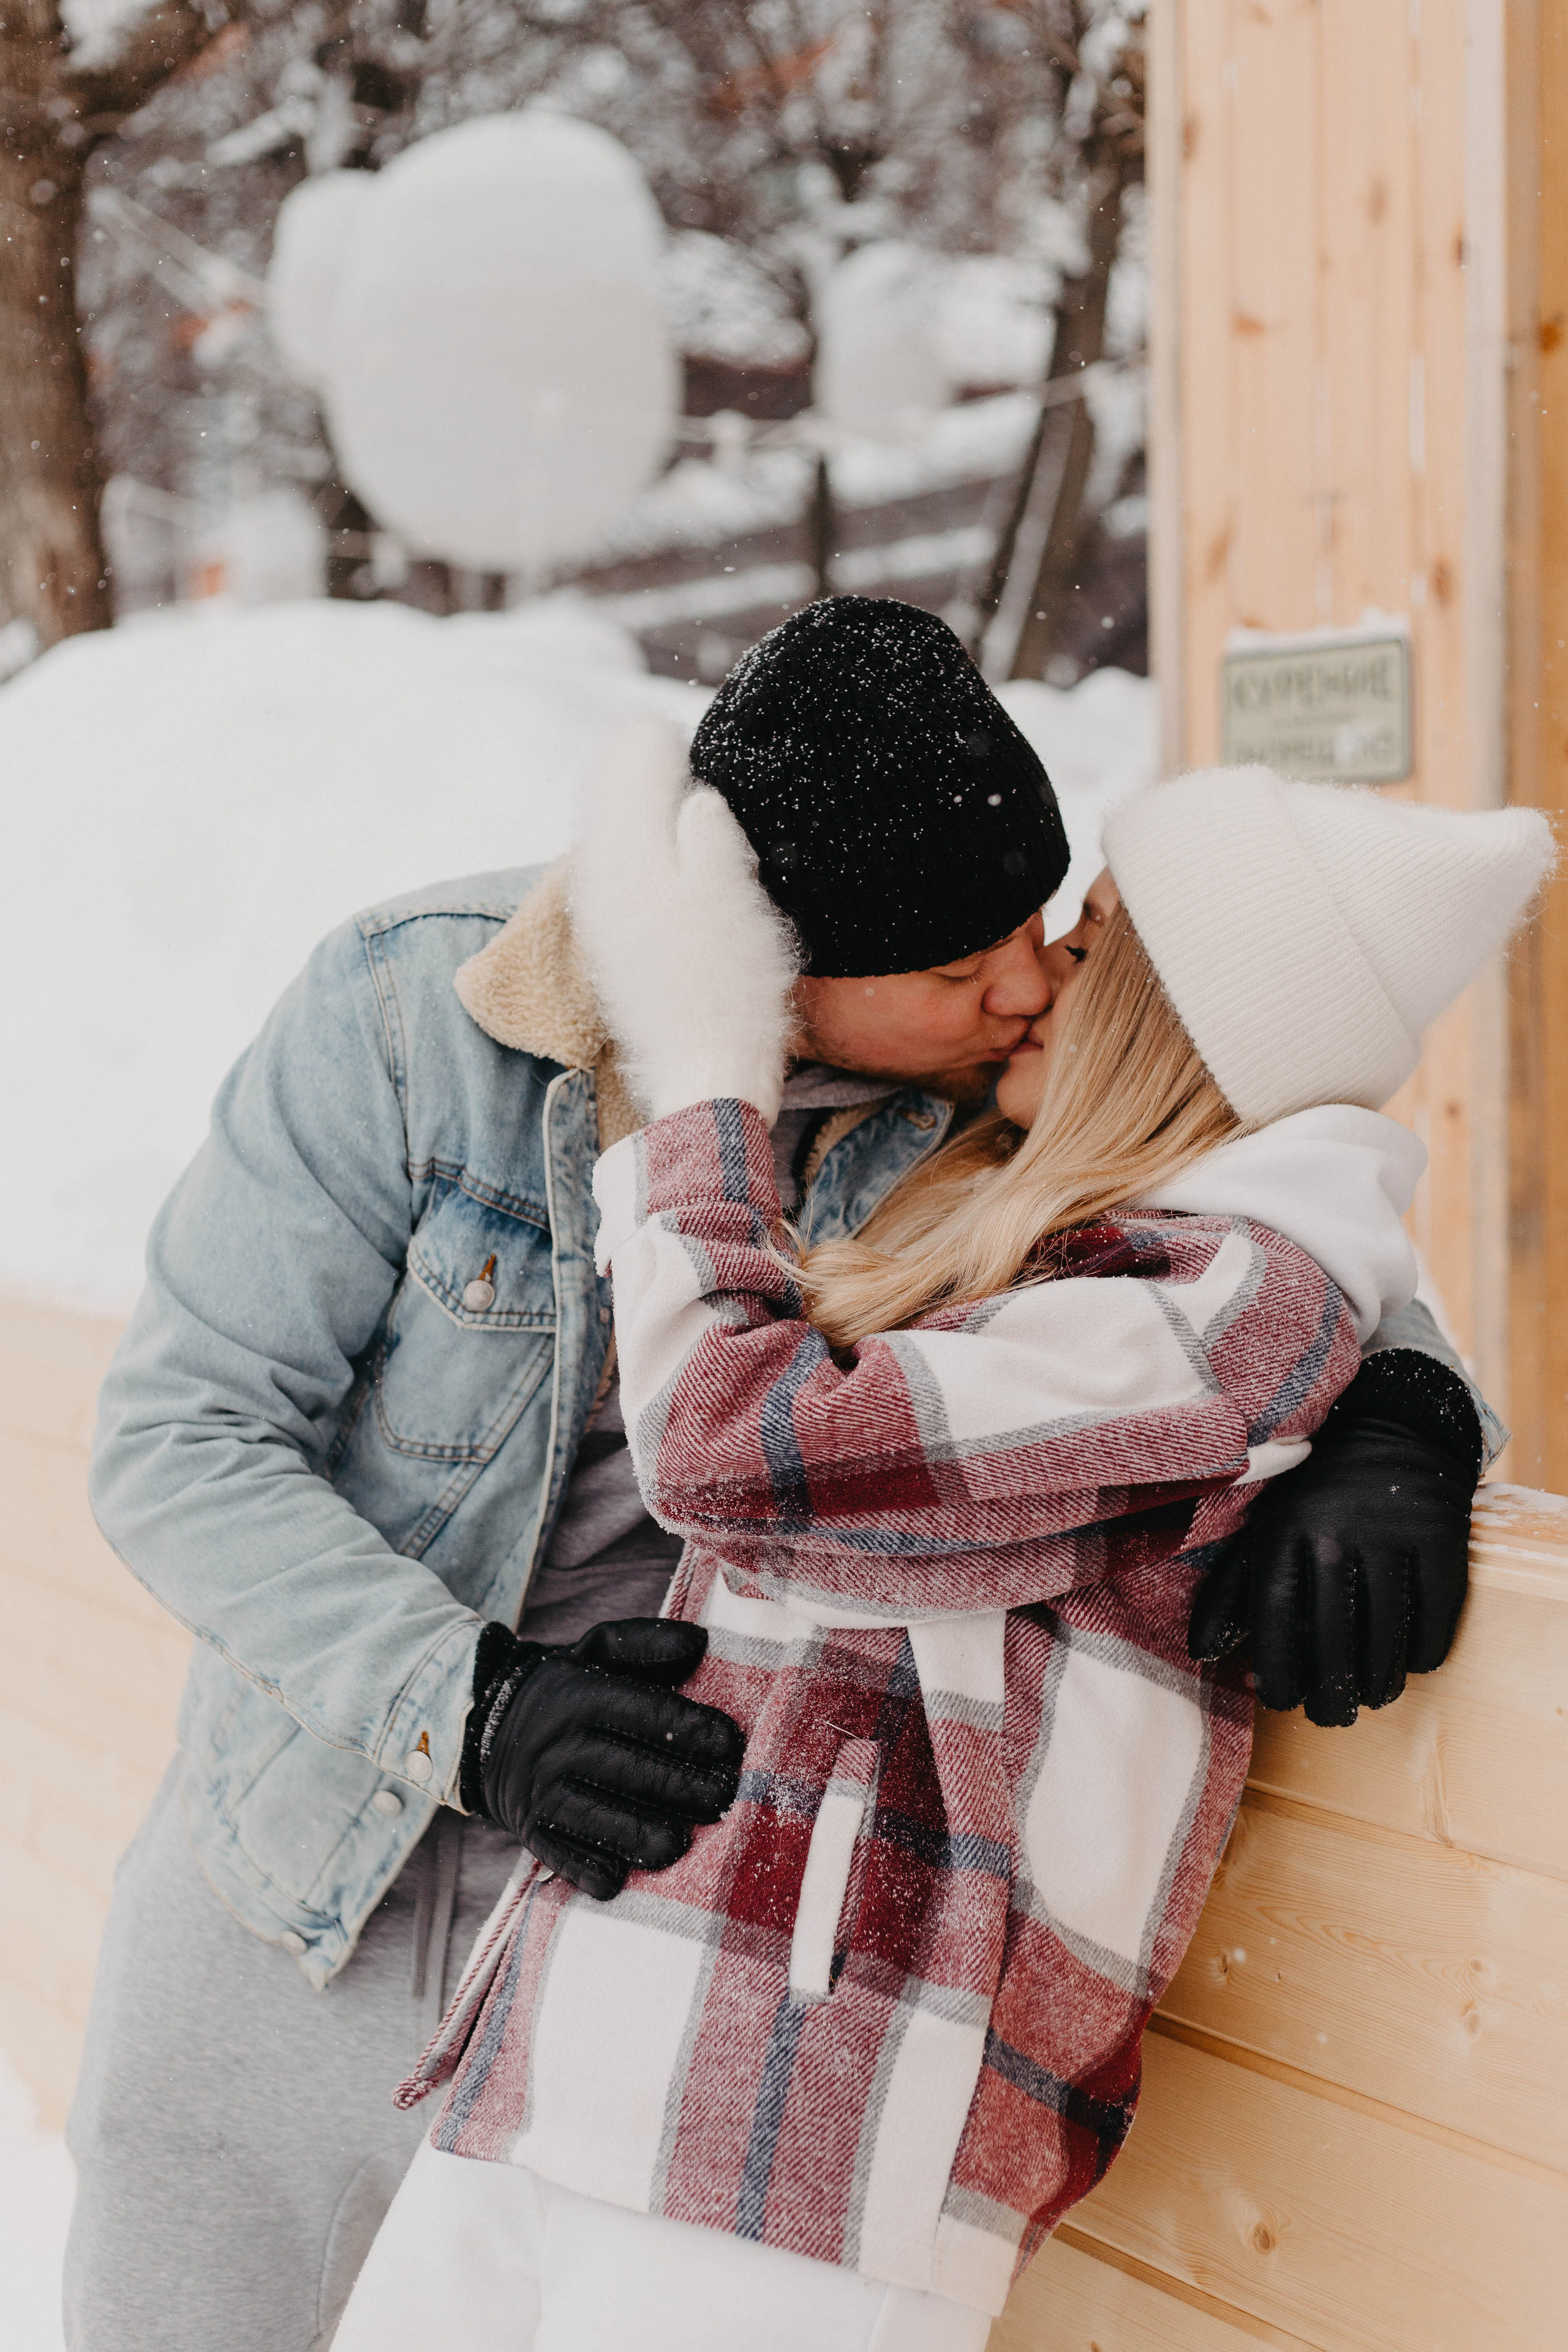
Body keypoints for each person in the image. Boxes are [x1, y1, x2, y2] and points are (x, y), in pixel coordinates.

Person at [70, 600, 1492, 2351]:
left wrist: (1406, 1411)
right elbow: (180, 1438)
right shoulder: (407, 1012)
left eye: (1040, 925)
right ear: (779, 957)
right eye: (963, 957)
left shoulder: (983, 1088)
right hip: (322, 1879)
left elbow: (1246, 1194)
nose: (1029, 981)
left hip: (652, 1911)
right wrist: (479, 1707)